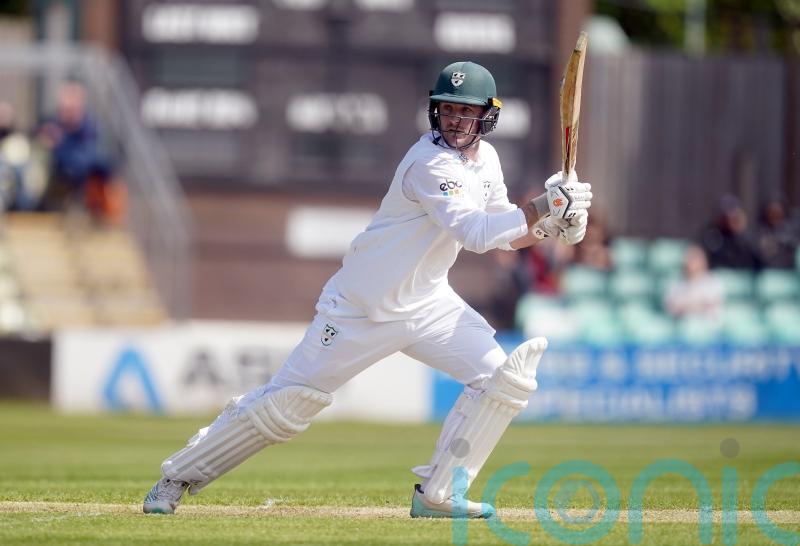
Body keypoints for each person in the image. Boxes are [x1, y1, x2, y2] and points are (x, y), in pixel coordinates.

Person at [143, 61, 594, 518]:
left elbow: (503, 233)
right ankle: (178, 475)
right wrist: (546, 206)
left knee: (502, 379)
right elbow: (475, 234)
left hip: (427, 305)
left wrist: (550, 224)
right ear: (434, 112)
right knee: (286, 406)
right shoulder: (428, 162)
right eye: (448, 110)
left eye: (466, 112)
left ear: (486, 118)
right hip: (360, 308)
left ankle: (439, 495)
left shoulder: (487, 160)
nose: (456, 120)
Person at [664, 244, 724, 321]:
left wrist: (688, 306)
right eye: (689, 258)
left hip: (708, 328)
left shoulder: (714, 282)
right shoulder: (675, 282)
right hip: (682, 327)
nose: (690, 262)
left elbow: (712, 306)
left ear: (704, 261)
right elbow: (671, 308)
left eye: (695, 258)